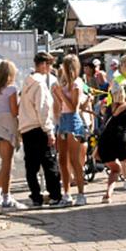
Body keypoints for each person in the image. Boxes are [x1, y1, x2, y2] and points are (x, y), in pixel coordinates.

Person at [18, 52, 65, 208]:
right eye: (50, 65)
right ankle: (55, 196)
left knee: (31, 166)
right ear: (44, 64)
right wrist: (49, 131)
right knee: (49, 163)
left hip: (26, 128)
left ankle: (36, 197)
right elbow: (43, 109)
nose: (50, 69)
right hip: (39, 128)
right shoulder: (40, 84)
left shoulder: (27, 82)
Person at [0, 60, 24, 209]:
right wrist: (22, 100)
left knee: (5, 163)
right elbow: (14, 112)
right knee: (8, 164)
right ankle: (6, 197)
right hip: (7, 125)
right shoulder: (11, 89)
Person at [53, 54, 88, 205]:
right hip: (63, 120)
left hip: (73, 121)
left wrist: (60, 93)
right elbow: (62, 105)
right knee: (62, 159)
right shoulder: (65, 83)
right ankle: (67, 194)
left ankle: (81, 194)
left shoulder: (77, 83)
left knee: (74, 160)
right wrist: (57, 94)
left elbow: (74, 107)